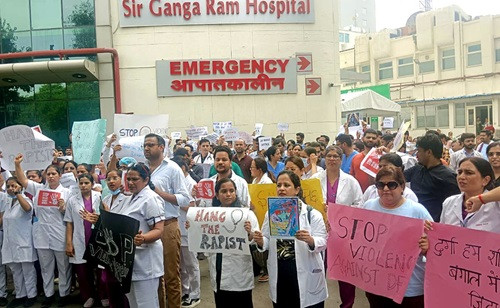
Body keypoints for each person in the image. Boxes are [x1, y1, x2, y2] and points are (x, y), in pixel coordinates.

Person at [254, 170, 328, 308]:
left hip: (305, 270)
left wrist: (310, 240)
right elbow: (266, 240)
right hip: (281, 273)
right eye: (279, 185)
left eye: (286, 185)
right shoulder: (271, 213)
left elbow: (323, 241)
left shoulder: (312, 214)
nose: (281, 188)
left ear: (297, 189)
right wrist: (260, 240)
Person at [363, 166, 432, 307]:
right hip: (376, 284)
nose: (386, 189)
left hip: (410, 287)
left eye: (392, 184)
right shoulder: (368, 206)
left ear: (402, 187)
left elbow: (435, 244)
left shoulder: (417, 211)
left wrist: (427, 247)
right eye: (380, 185)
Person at [15, 154, 72, 307]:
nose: (51, 176)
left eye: (54, 173)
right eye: (49, 174)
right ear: (45, 176)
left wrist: (63, 208)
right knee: (46, 268)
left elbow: (71, 215)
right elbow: (23, 180)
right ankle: (48, 294)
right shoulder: (39, 189)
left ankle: (64, 294)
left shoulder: (67, 192)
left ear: (60, 176)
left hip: (59, 233)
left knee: (63, 266)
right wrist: (17, 165)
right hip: (41, 234)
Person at [193, 178, 259, 308]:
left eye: (231, 191)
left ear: (236, 192)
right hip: (218, 268)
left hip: (239, 273)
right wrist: (193, 227)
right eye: (224, 191)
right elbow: (203, 238)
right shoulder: (210, 215)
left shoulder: (247, 215)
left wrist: (249, 233)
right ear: (217, 195)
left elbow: (257, 241)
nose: (228, 194)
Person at [143, 134, 191, 308]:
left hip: (168, 225)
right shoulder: (142, 169)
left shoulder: (172, 168)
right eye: (144, 145)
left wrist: (158, 192)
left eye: (151, 145)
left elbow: (185, 199)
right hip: (146, 228)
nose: (146, 148)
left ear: (162, 147)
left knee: (170, 274)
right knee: (153, 276)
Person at [311, 146, 361, 308]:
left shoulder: (351, 181)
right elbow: (308, 202)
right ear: (325, 158)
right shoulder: (315, 180)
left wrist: (341, 212)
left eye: (336, 156)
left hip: (343, 234)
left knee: (345, 273)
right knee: (318, 270)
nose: (332, 159)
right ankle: (316, 303)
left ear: (341, 160)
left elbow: (359, 205)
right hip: (320, 230)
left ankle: (347, 305)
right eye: (329, 156)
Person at [120, 163, 165, 308]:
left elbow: (159, 229)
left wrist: (143, 238)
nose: (130, 183)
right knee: (133, 302)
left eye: (135, 179)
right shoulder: (130, 198)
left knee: (147, 303)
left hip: (146, 261)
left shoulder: (151, 199)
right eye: (128, 179)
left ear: (146, 180)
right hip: (130, 260)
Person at [64, 174, 102, 307]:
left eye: (86, 183)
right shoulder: (72, 200)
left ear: (92, 184)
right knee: (82, 271)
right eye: (81, 183)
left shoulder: (100, 197)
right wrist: (69, 243)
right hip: (80, 239)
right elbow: (69, 223)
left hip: (97, 239)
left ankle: (103, 295)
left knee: (100, 269)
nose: (84, 185)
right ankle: (88, 296)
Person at [404, 133, 460, 222]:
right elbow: (396, 177)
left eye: (419, 151)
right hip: (413, 222)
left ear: (429, 152)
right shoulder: (417, 169)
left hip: (434, 226)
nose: (417, 155)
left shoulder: (448, 177)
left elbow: (454, 206)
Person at [1, 177, 37, 307]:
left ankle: (31, 295)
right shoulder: (7, 202)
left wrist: (18, 194)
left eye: (13, 186)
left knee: (28, 270)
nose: (11, 188)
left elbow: (27, 209)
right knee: (16, 271)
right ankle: (20, 295)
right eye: (9, 186)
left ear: (20, 186)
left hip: (23, 242)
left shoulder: (25, 199)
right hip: (10, 243)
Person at [170, 156, 201, 308]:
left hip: (188, 229)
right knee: (180, 264)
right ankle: (185, 291)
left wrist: (173, 200)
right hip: (177, 229)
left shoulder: (191, 183)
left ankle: (195, 293)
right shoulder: (177, 182)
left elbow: (192, 208)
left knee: (191, 264)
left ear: (182, 168)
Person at [439, 157, 499, 233]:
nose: (461, 177)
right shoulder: (449, 202)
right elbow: (442, 234)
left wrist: (481, 199)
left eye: (469, 173)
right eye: (460, 172)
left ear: (485, 180)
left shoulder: (496, 204)